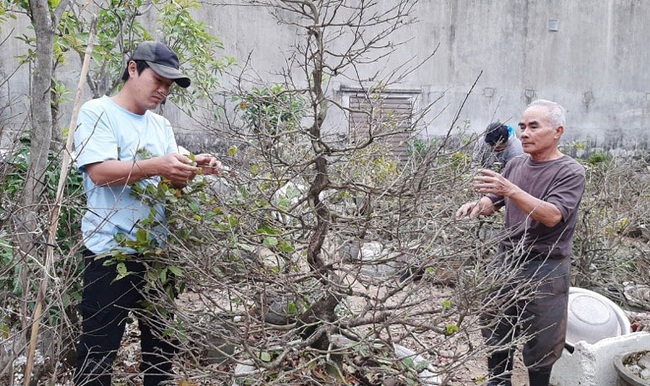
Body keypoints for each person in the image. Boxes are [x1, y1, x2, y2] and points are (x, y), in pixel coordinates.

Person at [73, 41, 221, 386]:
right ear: (133, 68)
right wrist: (158, 165)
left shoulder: (160, 127)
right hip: (108, 254)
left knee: (161, 351)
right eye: (158, 79)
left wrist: (190, 170)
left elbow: (170, 188)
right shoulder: (98, 112)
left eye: (169, 85)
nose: (163, 90)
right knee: (98, 352)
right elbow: (98, 172)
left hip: (156, 253)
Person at [455, 99, 586, 386]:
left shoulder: (570, 171)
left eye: (534, 126)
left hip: (545, 267)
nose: (525, 133)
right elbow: (497, 200)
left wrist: (510, 190)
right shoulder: (515, 164)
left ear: (557, 131)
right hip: (507, 259)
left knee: (542, 340)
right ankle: (498, 381)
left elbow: (552, 215)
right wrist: (481, 203)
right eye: (522, 126)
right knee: (496, 325)